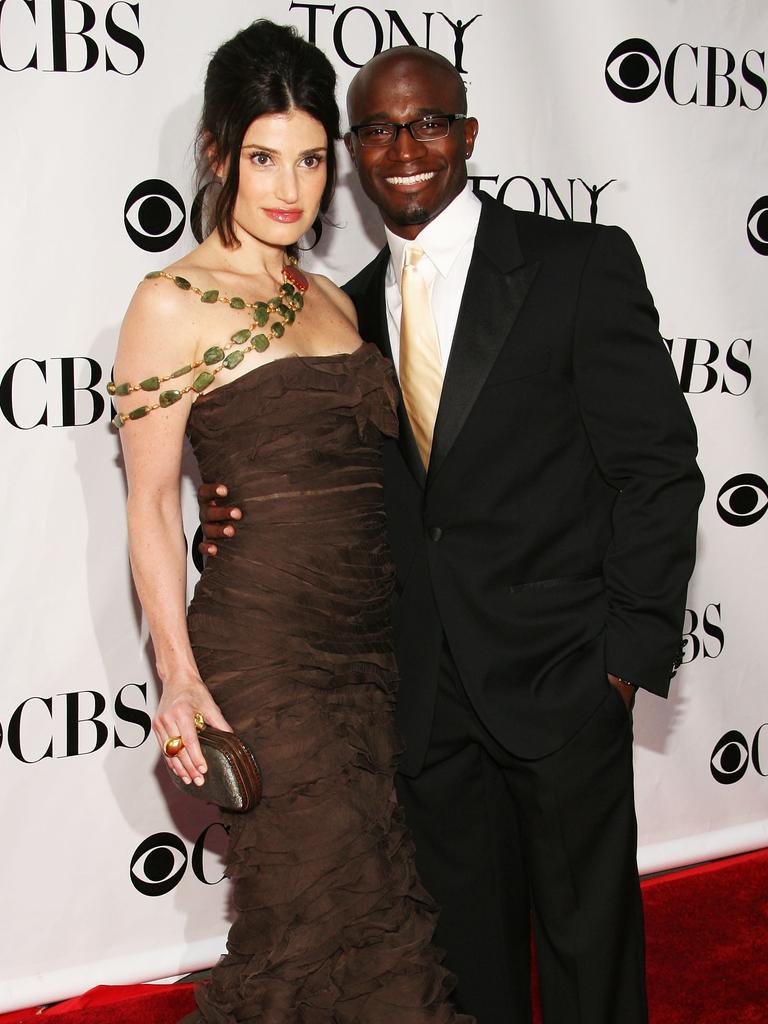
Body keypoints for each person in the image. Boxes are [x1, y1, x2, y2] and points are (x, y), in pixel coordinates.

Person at [200, 44, 704, 1024]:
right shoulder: (339, 312)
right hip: (425, 700)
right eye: (379, 129)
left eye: (427, 121)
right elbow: (332, 491)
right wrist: (229, 524)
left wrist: (623, 657)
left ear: (466, 133)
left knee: (587, 959)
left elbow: (657, 469)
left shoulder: (575, 265)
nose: (405, 146)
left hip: (563, 678)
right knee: (465, 972)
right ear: (353, 150)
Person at [113, 22, 474, 1024]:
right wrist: (179, 678)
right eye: (265, 157)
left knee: (348, 924)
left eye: (313, 159)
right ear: (219, 153)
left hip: (366, 655)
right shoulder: (170, 303)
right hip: (263, 654)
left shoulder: (333, 304)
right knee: (328, 914)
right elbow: (147, 504)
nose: (292, 186)